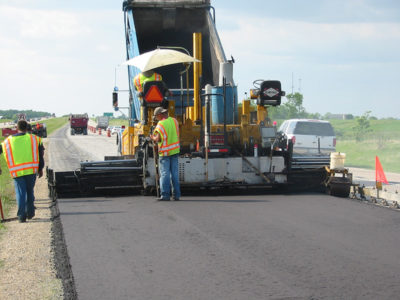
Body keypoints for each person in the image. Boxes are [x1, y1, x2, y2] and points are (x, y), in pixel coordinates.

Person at [0, 120, 44, 222]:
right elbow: (40, 156)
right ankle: (30, 213)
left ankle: (21, 216)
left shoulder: (7, 141)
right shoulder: (35, 139)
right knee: (29, 191)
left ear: (16, 127)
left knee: (20, 193)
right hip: (31, 171)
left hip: (17, 172)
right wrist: (40, 168)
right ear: (27, 127)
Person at [150, 107, 181, 201]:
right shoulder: (174, 121)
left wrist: (152, 137)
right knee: (175, 174)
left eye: (156, 116)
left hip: (165, 153)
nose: (156, 118)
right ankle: (176, 195)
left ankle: (165, 195)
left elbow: (158, 139)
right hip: (175, 151)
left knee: (164, 174)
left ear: (160, 114)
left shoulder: (161, 124)